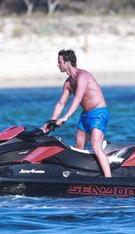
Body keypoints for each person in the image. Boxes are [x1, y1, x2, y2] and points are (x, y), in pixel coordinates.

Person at [51, 49, 112, 177]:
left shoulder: (83, 76)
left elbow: (78, 98)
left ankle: (109, 180)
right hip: (85, 115)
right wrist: (52, 121)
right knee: (78, 147)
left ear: (68, 62)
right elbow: (61, 103)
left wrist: (65, 117)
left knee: (96, 146)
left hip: (99, 113)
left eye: (59, 62)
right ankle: (82, 176)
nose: (58, 65)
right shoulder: (68, 83)